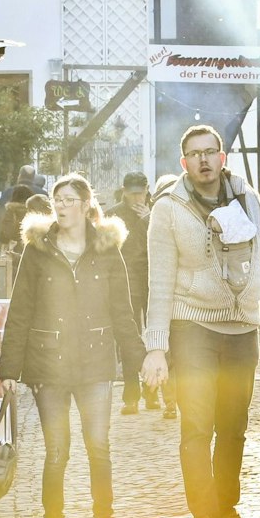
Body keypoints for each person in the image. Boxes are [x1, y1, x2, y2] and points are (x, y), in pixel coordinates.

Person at [139, 125, 260, 518]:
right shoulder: (168, 208)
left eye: (210, 152)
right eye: (194, 154)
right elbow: (159, 282)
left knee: (234, 427)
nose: (203, 160)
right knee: (198, 426)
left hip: (243, 326)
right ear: (183, 162)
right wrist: (156, 347)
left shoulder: (247, 197)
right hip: (192, 328)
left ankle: (226, 507)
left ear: (223, 157)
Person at [0, 174, 144, 518]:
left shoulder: (107, 250)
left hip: (95, 363)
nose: (60, 206)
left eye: (68, 199)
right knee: (57, 450)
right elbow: (20, 310)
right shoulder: (38, 250)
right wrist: (9, 369)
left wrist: (137, 363)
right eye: (56, 199)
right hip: (49, 364)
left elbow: (122, 312)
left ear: (85, 204)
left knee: (99, 447)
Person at [107, 172, 167, 415]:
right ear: (123, 191)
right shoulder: (113, 215)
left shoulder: (157, 212)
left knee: (155, 337)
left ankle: (152, 391)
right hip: (125, 282)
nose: (135, 198)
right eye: (131, 193)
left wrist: (150, 221)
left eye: (139, 193)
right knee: (129, 338)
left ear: (147, 190)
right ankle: (131, 395)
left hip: (152, 281)